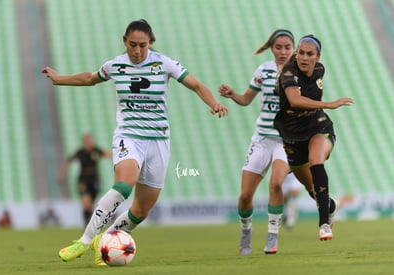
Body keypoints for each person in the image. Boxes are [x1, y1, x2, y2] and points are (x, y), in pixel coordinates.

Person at [42, 19, 228, 266]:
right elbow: (90, 78)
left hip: (158, 141)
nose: (137, 51)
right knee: (124, 185)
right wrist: (59, 79)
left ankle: (105, 239)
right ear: (124, 42)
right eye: (132, 45)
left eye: (142, 45)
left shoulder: (163, 63)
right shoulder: (116, 65)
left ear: (151, 43)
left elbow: (195, 85)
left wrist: (213, 103)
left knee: (141, 211)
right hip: (128, 136)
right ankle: (84, 241)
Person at [219, 29, 298, 255]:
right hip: (262, 138)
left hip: (286, 141)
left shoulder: (300, 72)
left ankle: (272, 237)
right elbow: (246, 99)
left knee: (276, 184)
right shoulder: (263, 70)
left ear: (293, 49)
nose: (283, 52)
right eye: (279, 47)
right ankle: (246, 232)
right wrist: (233, 94)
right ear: (272, 48)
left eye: (287, 47)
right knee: (245, 196)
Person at [274, 34, 354, 241]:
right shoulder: (288, 74)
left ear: (318, 56)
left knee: (316, 161)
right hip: (292, 136)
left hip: (319, 127)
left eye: (310, 54)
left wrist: (324, 110)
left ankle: (324, 224)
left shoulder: (320, 70)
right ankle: (331, 206)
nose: (304, 57)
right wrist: (329, 104)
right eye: (301, 52)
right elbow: (295, 100)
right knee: (312, 189)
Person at [58, 133, 112, 226]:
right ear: (84, 142)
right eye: (87, 141)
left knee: (90, 205)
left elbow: (109, 154)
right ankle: (86, 225)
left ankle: (89, 225)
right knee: (86, 204)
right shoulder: (80, 153)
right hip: (83, 180)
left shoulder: (96, 151)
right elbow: (68, 161)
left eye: (91, 140)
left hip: (95, 180)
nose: (89, 143)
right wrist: (62, 174)